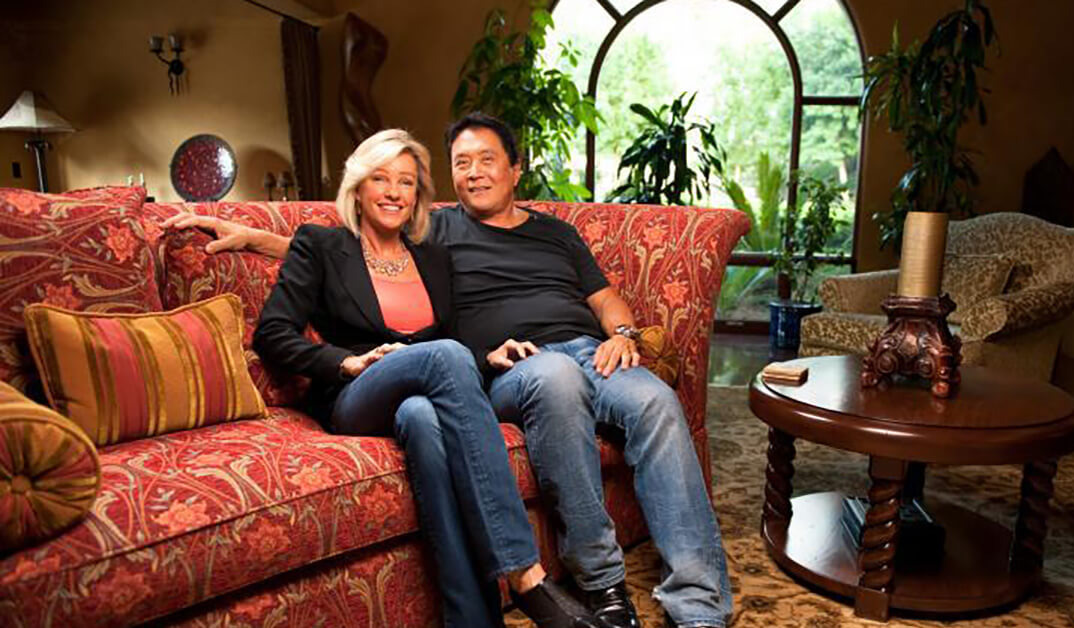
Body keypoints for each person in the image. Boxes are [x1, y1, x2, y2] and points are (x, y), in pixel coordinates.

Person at [167, 114, 732, 628]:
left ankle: (698, 607)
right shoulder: (437, 231)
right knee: (536, 375)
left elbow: (603, 297)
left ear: (515, 168)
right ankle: (575, 581)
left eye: (487, 160)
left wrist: (623, 334)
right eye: (462, 163)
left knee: (656, 402)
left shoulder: (527, 236)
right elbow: (348, 252)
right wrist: (255, 238)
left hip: (574, 352)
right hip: (491, 370)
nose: (475, 173)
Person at [242, 129, 600, 628]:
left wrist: (488, 355)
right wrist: (345, 363)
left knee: (423, 418)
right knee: (443, 357)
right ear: (357, 189)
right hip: (356, 393)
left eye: (406, 182)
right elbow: (272, 334)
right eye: (380, 179)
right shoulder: (321, 245)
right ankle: (525, 573)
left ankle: (471, 619)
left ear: (417, 196)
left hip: (419, 395)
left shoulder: (432, 255)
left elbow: (453, 337)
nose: (393, 192)